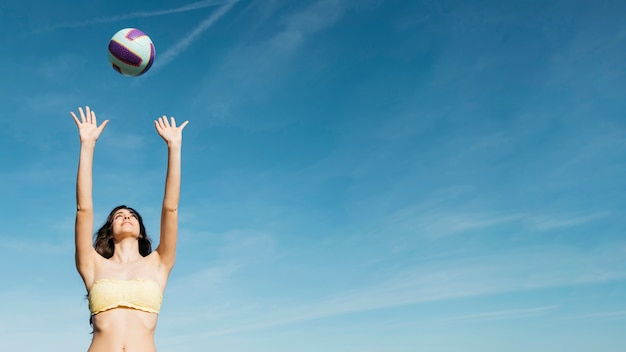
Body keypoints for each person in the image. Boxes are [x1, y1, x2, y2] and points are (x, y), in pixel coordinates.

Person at [71, 106, 188, 352]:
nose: (127, 216)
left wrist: (174, 148)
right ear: (110, 231)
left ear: (142, 232)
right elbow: (84, 208)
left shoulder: (159, 262)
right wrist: (87, 144)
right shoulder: (91, 264)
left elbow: (171, 209)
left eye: (132, 215)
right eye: (119, 216)